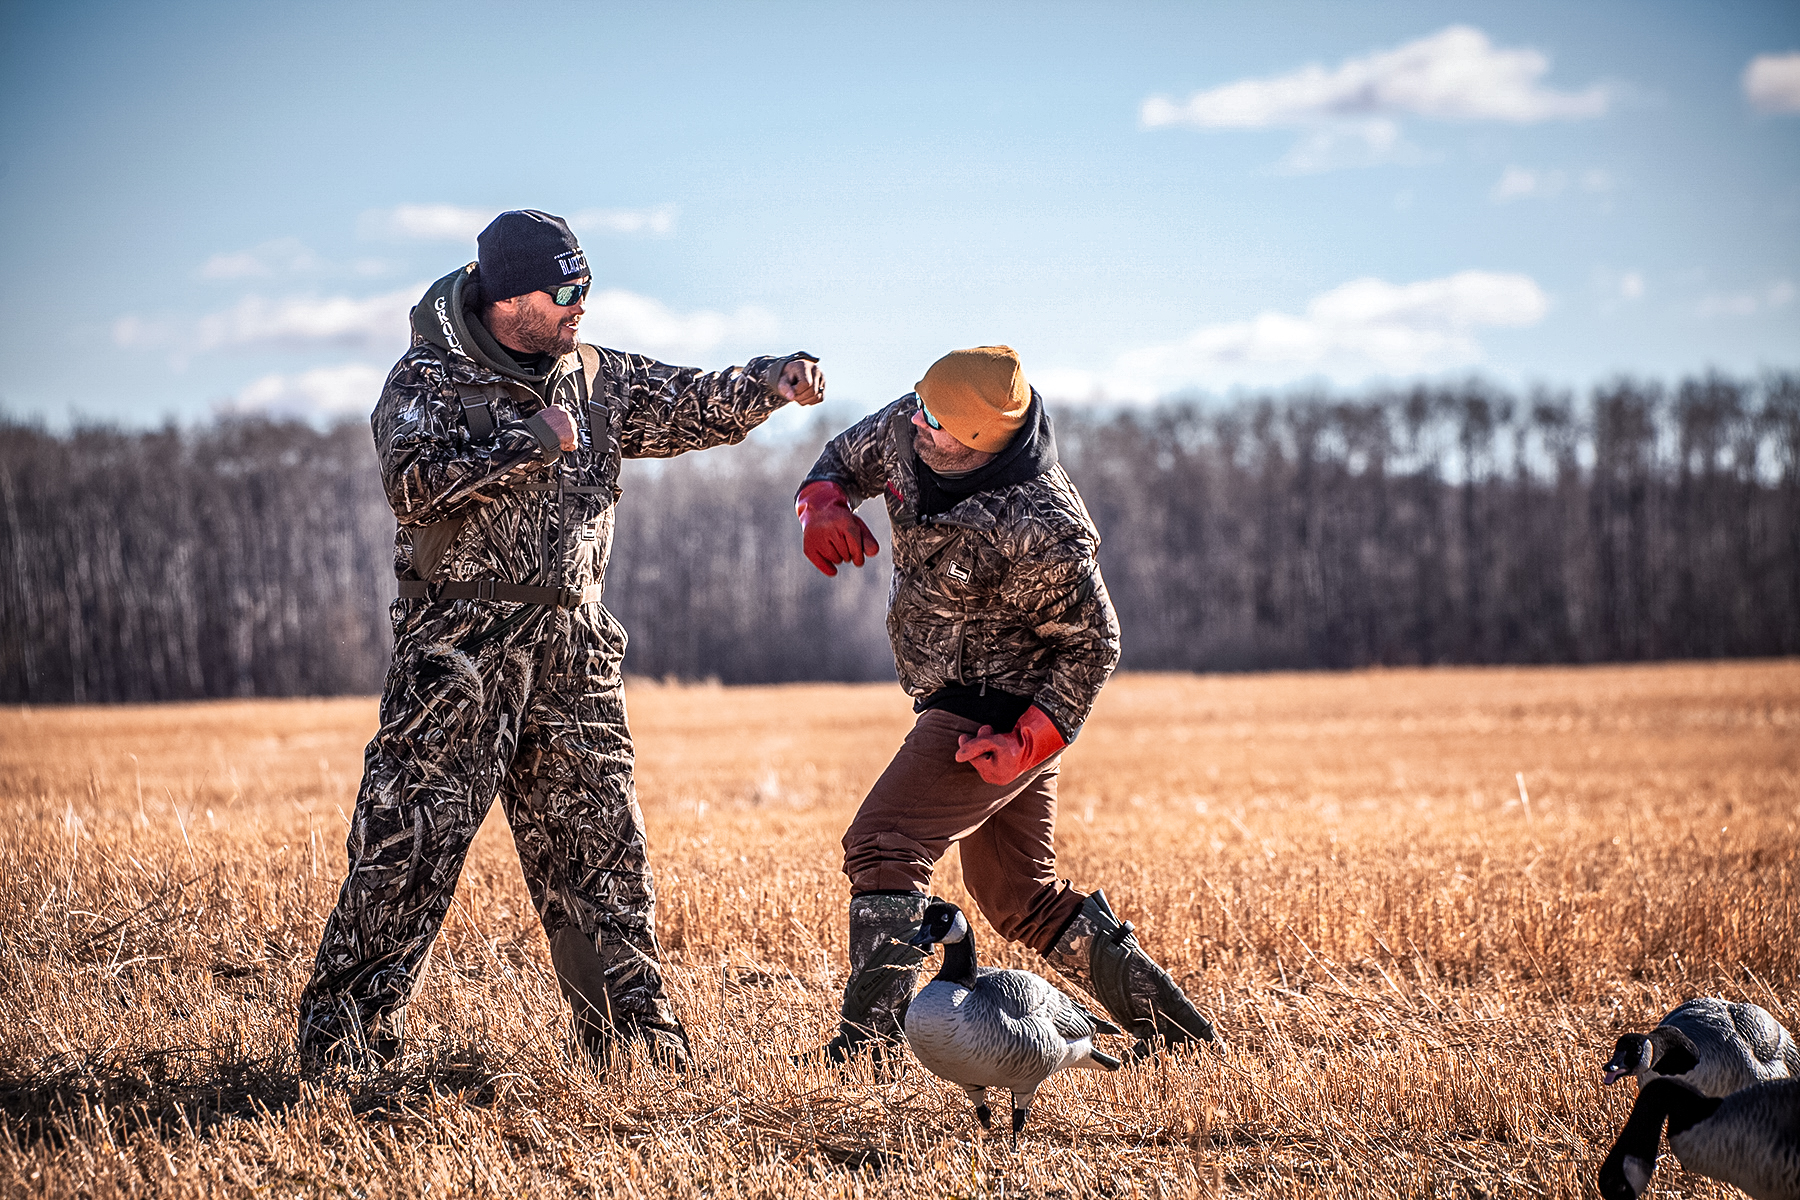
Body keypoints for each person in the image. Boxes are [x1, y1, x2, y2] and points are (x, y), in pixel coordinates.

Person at [297, 209, 825, 1070]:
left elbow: (689, 403)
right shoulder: (427, 377)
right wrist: (528, 444)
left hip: (575, 649)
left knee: (603, 850)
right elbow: (413, 486)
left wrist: (771, 380)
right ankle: (343, 1046)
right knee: (408, 846)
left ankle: (635, 1050)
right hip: (458, 652)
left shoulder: (595, 376)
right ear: (511, 298)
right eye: (566, 289)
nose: (583, 304)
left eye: (588, 285)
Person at [793, 345, 1220, 1063]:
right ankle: (1185, 1041)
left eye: (934, 419)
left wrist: (1027, 741)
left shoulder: (1044, 523)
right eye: (919, 403)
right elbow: (842, 457)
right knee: (1019, 894)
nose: (916, 421)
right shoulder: (914, 422)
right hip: (951, 689)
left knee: (885, 843)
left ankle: (868, 1053)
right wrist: (823, 503)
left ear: (980, 438)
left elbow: (1095, 644)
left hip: (999, 704)